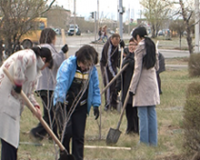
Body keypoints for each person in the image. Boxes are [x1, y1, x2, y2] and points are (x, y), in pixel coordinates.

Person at [0, 46, 53, 160]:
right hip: (4, 99)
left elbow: (27, 93)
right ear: (43, 59)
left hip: (12, 103)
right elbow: (20, 59)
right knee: (9, 140)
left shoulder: (34, 71)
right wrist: (18, 83)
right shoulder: (31, 56)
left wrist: (35, 106)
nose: (44, 69)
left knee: (12, 141)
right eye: (46, 65)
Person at [53, 45, 101, 160]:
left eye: (89, 65)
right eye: (85, 64)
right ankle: (64, 157)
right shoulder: (68, 65)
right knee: (66, 133)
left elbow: (95, 86)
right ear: (79, 60)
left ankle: (78, 157)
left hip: (81, 107)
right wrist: (59, 101)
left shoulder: (92, 70)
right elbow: (61, 83)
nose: (86, 67)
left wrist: (96, 104)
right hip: (66, 105)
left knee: (79, 136)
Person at [30, 28, 68, 140]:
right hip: (48, 85)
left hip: (43, 85)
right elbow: (55, 62)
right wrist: (62, 52)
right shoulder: (47, 48)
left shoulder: (42, 47)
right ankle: (37, 132)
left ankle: (53, 135)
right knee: (50, 113)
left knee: (53, 112)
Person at [129, 26, 160, 146]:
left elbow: (137, 69)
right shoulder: (152, 45)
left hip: (142, 83)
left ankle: (143, 142)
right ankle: (153, 142)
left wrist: (132, 88)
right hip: (152, 81)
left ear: (137, 36)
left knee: (142, 113)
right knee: (151, 112)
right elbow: (157, 66)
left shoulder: (140, 47)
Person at [116, 38, 139, 135]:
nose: (131, 47)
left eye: (133, 45)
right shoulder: (125, 58)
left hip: (135, 87)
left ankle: (136, 128)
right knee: (128, 108)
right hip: (126, 87)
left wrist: (131, 62)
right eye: (130, 45)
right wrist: (118, 87)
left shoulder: (138, 57)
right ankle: (129, 128)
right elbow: (121, 73)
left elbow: (138, 68)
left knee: (135, 110)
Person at [100, 33, 124, 111]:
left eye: (117, 43)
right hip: (105, 66)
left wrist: (122, 45)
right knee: (108, 84)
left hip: (113, 65)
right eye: (114, 43)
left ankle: (114, 103)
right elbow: (108, 62)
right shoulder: (109, 47)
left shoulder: (117, 43)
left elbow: (119, 54)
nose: (116, 44)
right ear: (111, 39)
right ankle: (107, 105)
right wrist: (114, 75)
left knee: (115, 84)